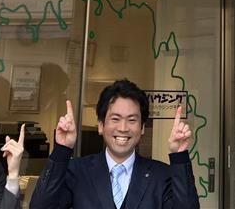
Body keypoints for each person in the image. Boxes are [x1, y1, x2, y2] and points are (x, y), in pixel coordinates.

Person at [30, 78, 200, 209]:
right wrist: (62, 150)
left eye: (132, 120)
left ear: (142, 128)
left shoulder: (161, 175)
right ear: (101, 125)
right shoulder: (77, 171)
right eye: (115, 119)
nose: (123, 128)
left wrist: (179, 157)